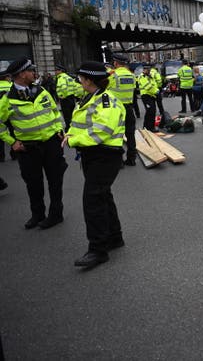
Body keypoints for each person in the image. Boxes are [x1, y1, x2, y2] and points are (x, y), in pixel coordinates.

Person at [62, 61, 126, 268]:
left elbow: (100, 132)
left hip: (105, 156)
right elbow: (81, 123)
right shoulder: (90, 98)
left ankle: (98, 250)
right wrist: (72, 133)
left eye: (81, 78)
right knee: (103, 196)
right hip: (94, 156)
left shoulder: (107, 101)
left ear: (88, 79)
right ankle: (115, 237)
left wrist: (73, 140)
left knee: (93, 200)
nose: (79, 81)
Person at [0, 57, 67, 229]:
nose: (34, 73)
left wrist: (59, 129)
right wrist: (12, 142)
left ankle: (56, 214)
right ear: (22, 74)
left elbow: (54, 111)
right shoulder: (8, 99)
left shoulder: (41, 90)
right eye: (31, 71)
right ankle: (37, 214)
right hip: (28, 148)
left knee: (55, 180)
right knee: (33, 183)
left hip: (51, 144)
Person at [109, 53, 137, 166]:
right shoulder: (131, 76)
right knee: (130, 134)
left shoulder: (113, 75)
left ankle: (119, 161)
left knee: (117, 135)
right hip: (129, 108)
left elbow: (104, 88)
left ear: (115, 63)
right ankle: (131, 159)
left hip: (116, 109)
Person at [55, 64, 79, 131]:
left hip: (65, 99)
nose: (55, 72)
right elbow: (75, 86)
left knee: (66, 116)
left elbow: (63, 87)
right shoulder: (69, 77)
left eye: (57, 70)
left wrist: (63, 96)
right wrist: (75, 95)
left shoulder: (61, 77)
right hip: (71, 98)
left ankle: (68, 129)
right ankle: (73, 127)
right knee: (71, 114)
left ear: (61, 71)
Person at [138, 64, 158, 132]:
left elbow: (154, 84)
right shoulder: (142, 77)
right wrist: (156, 91)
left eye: (149, 69)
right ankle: (149, 127)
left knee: (152, 111)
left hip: (151, 95)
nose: (149, 71)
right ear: (144, 70)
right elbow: (148, 86)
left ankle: (147, 127)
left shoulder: (149, 76)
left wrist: (156, 91)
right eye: (147, 70)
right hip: (146, 96)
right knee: (150, 111)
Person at [0, 70, 11, 162]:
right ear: (6, 77)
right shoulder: (11, 86)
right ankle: (15, 153)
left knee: (0, 134)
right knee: (13, 133)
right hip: (10, 113)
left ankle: (1, 156)